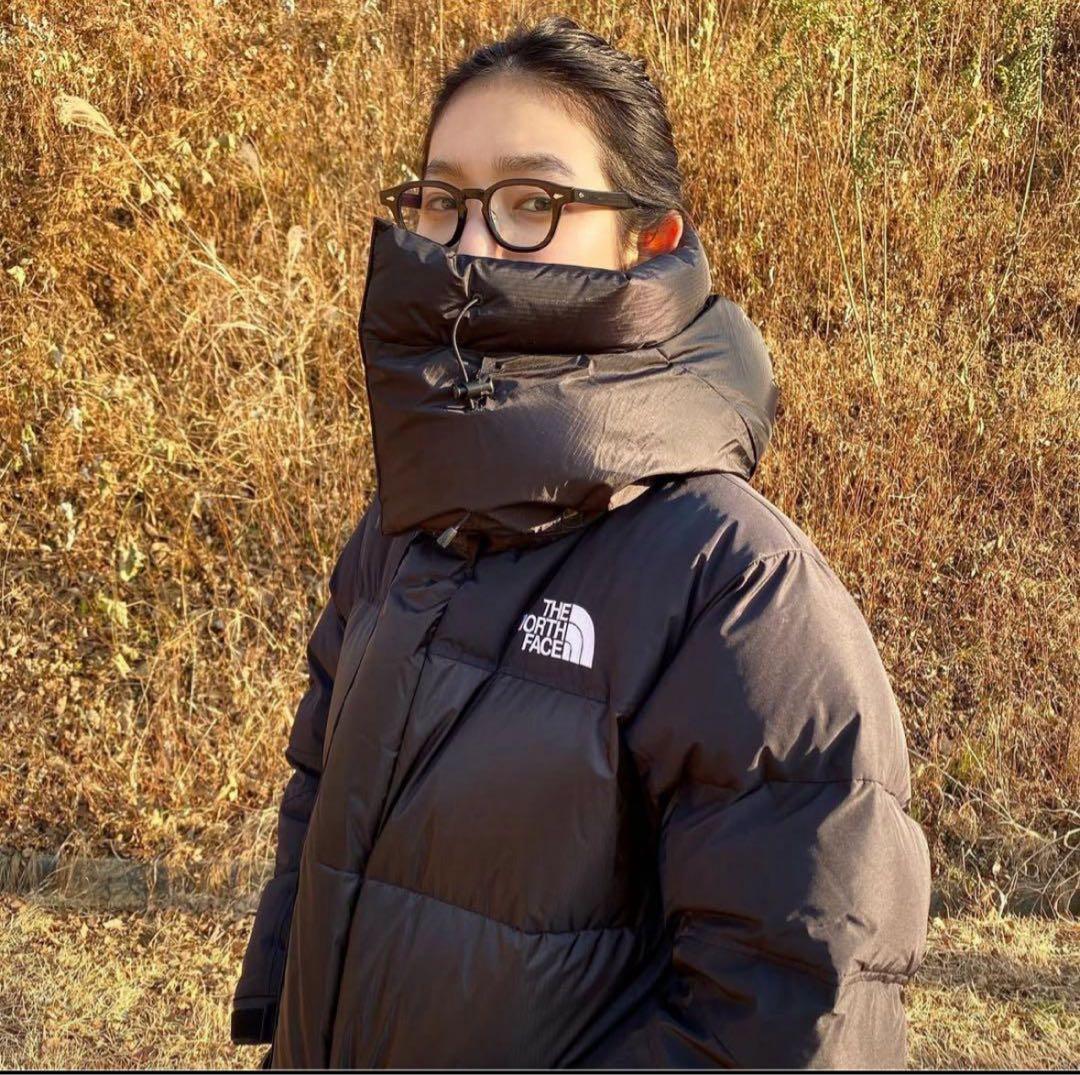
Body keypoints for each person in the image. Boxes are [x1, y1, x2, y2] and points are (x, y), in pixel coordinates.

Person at [231, 15, 931, 1069]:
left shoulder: (733, 586)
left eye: (533, 204)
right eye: (442, 201)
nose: (470, 248)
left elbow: (792, 1008)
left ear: (645, 240)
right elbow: (319, 799)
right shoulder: (405, 525)